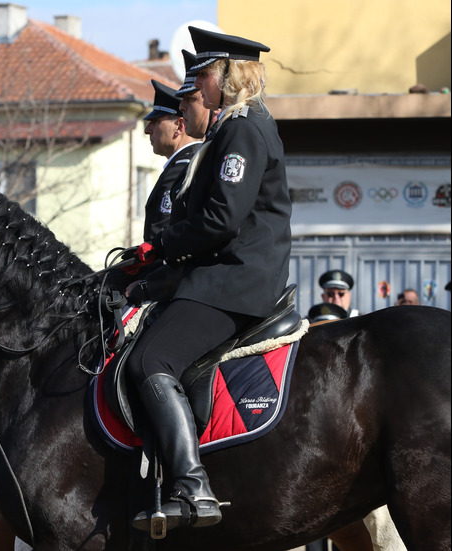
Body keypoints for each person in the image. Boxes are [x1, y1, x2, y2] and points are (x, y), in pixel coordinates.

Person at [123, 26, 292, 532]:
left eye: (202, 73)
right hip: (220, 277)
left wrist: (161, 245)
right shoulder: (234, 128)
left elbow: (220, 221)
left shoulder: (243, 128)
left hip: (233, 283)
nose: (195, 82)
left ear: (225, 76)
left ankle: (193, 486)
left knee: (150, 360)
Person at [141, 79, 202, 242]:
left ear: (179, 126)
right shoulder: (190, 162)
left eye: (155, 122)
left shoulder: (179, 171)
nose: (148, 130)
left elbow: (159, 234)